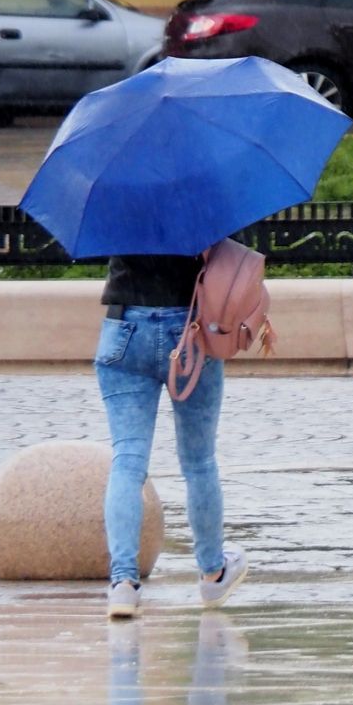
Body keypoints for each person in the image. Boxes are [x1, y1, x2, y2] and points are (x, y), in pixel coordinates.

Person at [99, 252, 248, 619]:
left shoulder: (117, 195)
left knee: (128, 461)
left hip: (125, 326)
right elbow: (235, 255)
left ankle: (123, 584)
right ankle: (213, 572)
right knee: (199, 462)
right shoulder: (199, 195)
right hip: (191, 326)